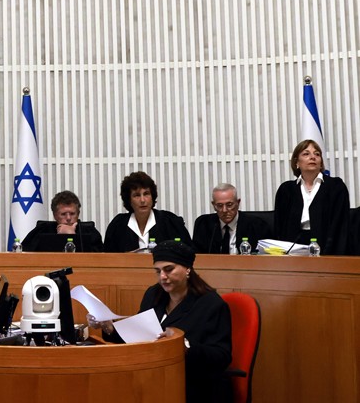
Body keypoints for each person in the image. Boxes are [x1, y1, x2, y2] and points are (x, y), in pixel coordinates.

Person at [88, 241, 232, 403]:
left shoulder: (211, 304)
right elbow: (138, 337)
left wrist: (184, 345)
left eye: (169, 270)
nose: (162, 277)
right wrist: (108, 327)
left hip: (192, 383)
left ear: (187, 269)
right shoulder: (154, 294)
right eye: (158, 271)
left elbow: (221, 357)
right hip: (153, 375)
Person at [273, 140, 350, 255]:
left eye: (317, 154)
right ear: (296, 163)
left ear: (321, 163)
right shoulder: (286, 190)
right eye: (306, 154)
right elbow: (279, 227)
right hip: (293, 250)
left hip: (327, 247)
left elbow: (340, 226)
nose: (312, 157)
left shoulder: (336, 186)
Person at [104, 172, 191, 252]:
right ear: (129, 200)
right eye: (136, 195)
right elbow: (107, 258)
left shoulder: (170, 222)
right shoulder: (118, 225)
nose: (142, 200)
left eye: (146, 194)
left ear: (152, 197)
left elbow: (189, 253)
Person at [192, 183, 273, 254]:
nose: (224, 210)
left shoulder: (257, 225)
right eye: (219, 205)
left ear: (238, 203)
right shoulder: (203, 224)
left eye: (229, 205)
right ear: (213, 205)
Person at [22, 190, 103, 252]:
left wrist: (72, 236)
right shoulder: (42, 231)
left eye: (72, 213)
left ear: (78, 214)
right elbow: (23, 255)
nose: (68, 218)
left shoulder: (90, 232)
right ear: (55, 215)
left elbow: (101, 259)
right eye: (63, 214)